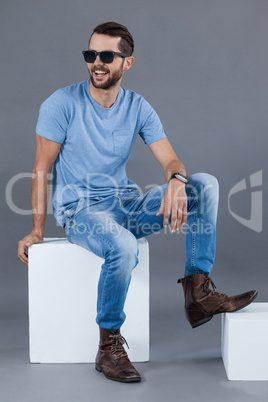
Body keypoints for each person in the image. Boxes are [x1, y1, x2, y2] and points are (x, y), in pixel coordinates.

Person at [18, 22, 257, 383]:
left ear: (127, 63)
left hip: (126, 205)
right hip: (82, 211)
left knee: (204, 184)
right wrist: (37, 231)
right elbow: (40, 169)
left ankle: (198, 293)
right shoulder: (61, 103)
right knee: (126, 248)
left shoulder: (137, 106)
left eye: (106, 56)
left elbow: (171, 160)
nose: (96, 63)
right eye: (90, 54)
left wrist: (176, 180)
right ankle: (108, 345)